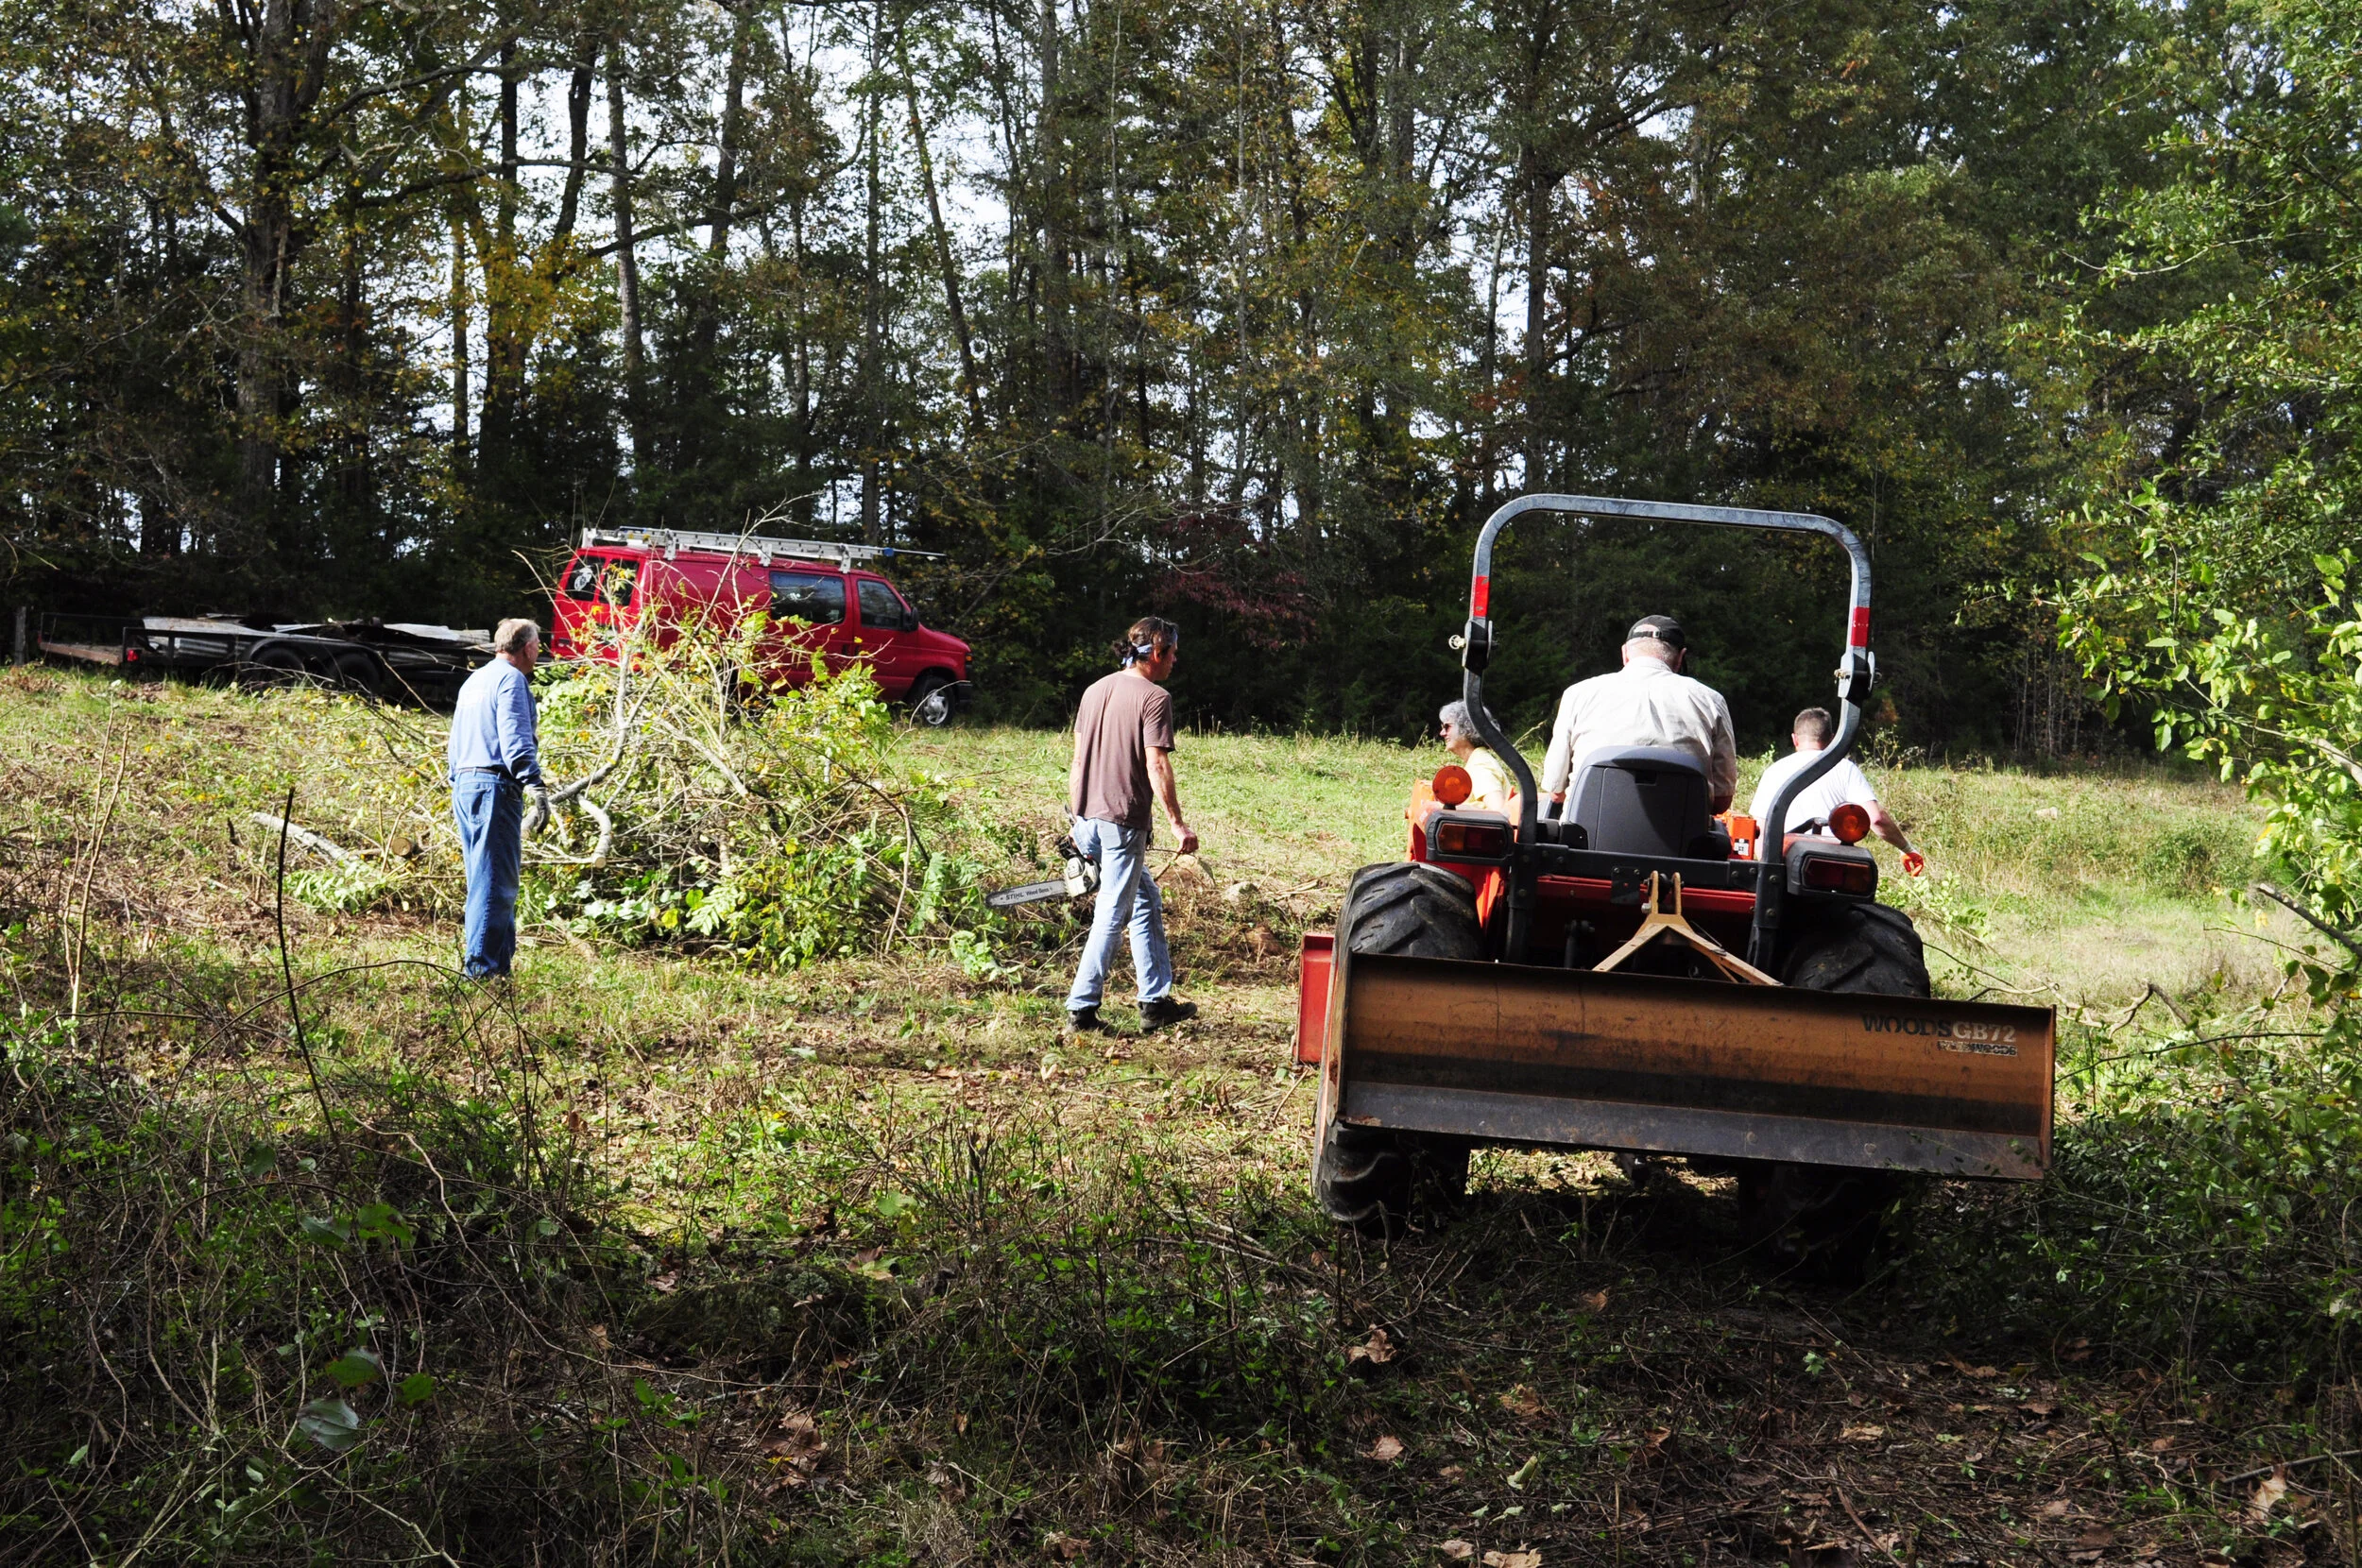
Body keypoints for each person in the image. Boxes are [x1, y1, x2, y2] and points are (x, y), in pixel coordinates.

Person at [1065, 616, 1200, 1033]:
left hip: (1087, 816)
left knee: (1145, 900)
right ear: (1157, 653)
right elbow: (1156, 762)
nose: (1175, 661)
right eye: (1174, 653)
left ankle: (1154, 1002)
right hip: (1122, 822)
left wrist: (1075, 820)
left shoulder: (1093, 691)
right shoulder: (1154, 697)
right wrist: (1178, 824)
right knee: (1112, 911)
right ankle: (1081, 1010)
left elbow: (1077, 759)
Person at [1541, 614, 1738, 814]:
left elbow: (1555, 792)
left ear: (1625, 653)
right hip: (1683, 844)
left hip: (1585, 842)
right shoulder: (1711, 701)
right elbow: (1721, 802)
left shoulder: (1578, 694)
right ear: (1680, 658)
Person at [447, 619, 552, 979]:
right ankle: (481, 972)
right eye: (538, 644)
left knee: (484, 877)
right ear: (528, 648)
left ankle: (498, 968)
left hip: (465, 783)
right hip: (495, 787)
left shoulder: (475, 680)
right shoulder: (512, 680)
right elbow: (515, 739)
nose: (540, 651)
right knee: (497, 883)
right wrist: (535, 784)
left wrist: (457, 780)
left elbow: (455, 740)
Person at [1748, 707, 1925, 873]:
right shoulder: (1844, 768)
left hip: (1787, 865)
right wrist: (1906, 848)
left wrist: (1769, 871)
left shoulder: (1775, 770)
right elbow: (1876, 819)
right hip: (1835, 867)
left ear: (1795, 739)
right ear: (1832, 740)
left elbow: (1759, 831)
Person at [1438, 700, 1519, 815]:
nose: (1442, 733)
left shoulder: (1480, 766)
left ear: (1467, 729)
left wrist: (1450, 809)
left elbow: (1499, 812)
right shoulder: (1477, 760)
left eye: (1447, 727)